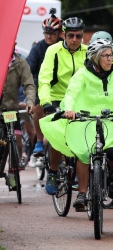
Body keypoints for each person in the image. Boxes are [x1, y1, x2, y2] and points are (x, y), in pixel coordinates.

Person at [39, 39, 113, 210]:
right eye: (106, 55)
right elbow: (71, 92)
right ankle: (82, 194)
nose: (110, 59)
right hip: (84, 117)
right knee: (84, 152)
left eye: (112, 55)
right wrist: (69, 109)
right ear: (95, 57)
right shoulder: (82, 73)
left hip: (112, 116)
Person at [37, 16, 88, 195]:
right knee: (57, 136)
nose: (75, 40)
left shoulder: (88, 52)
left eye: (79, 36)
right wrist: (46, 102)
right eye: (71, 36)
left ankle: (77, 170)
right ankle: (52, 171)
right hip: (57, 97)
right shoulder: (53, 51)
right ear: (64, 35)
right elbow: (44, 78)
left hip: (80, 100)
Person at [26, 9, 63, 163]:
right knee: (39, 107)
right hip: (42, 86)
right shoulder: (38, 48)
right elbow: (29, 70)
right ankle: (39, 142)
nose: (49, 36)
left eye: (53, 33)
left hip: (62, 88)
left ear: (59, 33)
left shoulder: (64, 47)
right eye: (46, 32)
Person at [2, 44, 36, 189]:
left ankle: (12, 173)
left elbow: (29, 84)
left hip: (10, 110)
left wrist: (29, 102)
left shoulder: (20, 62)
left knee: (16, 140)